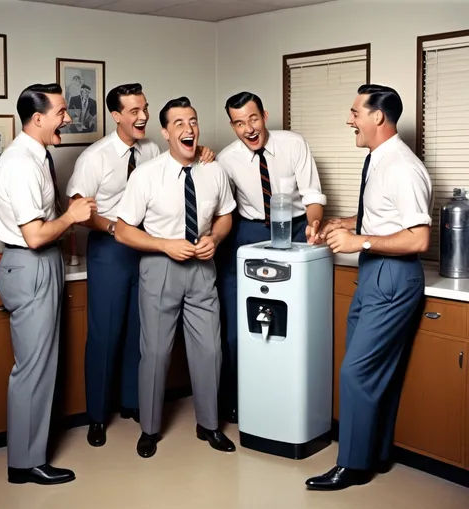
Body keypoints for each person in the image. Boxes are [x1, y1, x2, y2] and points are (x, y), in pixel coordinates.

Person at [67, 83, 216, 448]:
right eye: (134, 111)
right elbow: (78, 209)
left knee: (143, 331)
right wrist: (117, 227)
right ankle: (98, 417)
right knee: (106, 333)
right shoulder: (95, 157)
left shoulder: (152, 148)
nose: (143, 117)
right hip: (111, 246)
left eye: (145, 109)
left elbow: (180, 167)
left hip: (153, 248)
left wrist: (205, 154)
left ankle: (135, 406)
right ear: (116, 115)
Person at [305, 84, 433, 491]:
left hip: (393, 277)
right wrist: (337, 225)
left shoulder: (402, 167)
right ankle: (374, 454)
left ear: (378, 117)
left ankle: (353, 465)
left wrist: (360, 241)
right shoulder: (379, 160)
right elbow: (381, 219)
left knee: (357, 373)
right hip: (374, 272)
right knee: (371, 374)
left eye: (354, 112)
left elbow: (418, 238)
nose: (349, 120)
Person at [115, 96, 237, 458]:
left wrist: (214, 238)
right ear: (166, 132)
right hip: (160, 266)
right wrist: (165, 245)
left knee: (210, 350)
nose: (189, 128)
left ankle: (210, 425)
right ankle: (150, 429)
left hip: (202, 268)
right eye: (180, 123)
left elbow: (226, 215)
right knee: (154, 353)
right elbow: (123, 231)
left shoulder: (214, 171)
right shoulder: (146, 175)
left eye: (194, 121)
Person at [0, 83, 97, 485]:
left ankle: (29, 455)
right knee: (33, 369)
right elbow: (34, 236)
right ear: (38, 119)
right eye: (61, 112)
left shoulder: (36, 157)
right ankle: (24, 462)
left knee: (42, 366)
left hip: (41, 264)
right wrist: (72, 216)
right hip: (31, 261)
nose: (67, 119)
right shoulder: (20, 163)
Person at [216, 91, 326, 422]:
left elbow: (312, 195)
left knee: (292, 323)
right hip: (247, 233)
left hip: (295, 229)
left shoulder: (293, 144)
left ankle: (289, 400)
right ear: (232, 126)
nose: (248, 129)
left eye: (252, 119)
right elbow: (220, 208)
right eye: (238, 123)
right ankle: (238, 399)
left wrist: (314, 225)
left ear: (264, 115)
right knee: (238, 327)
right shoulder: (225, 159)